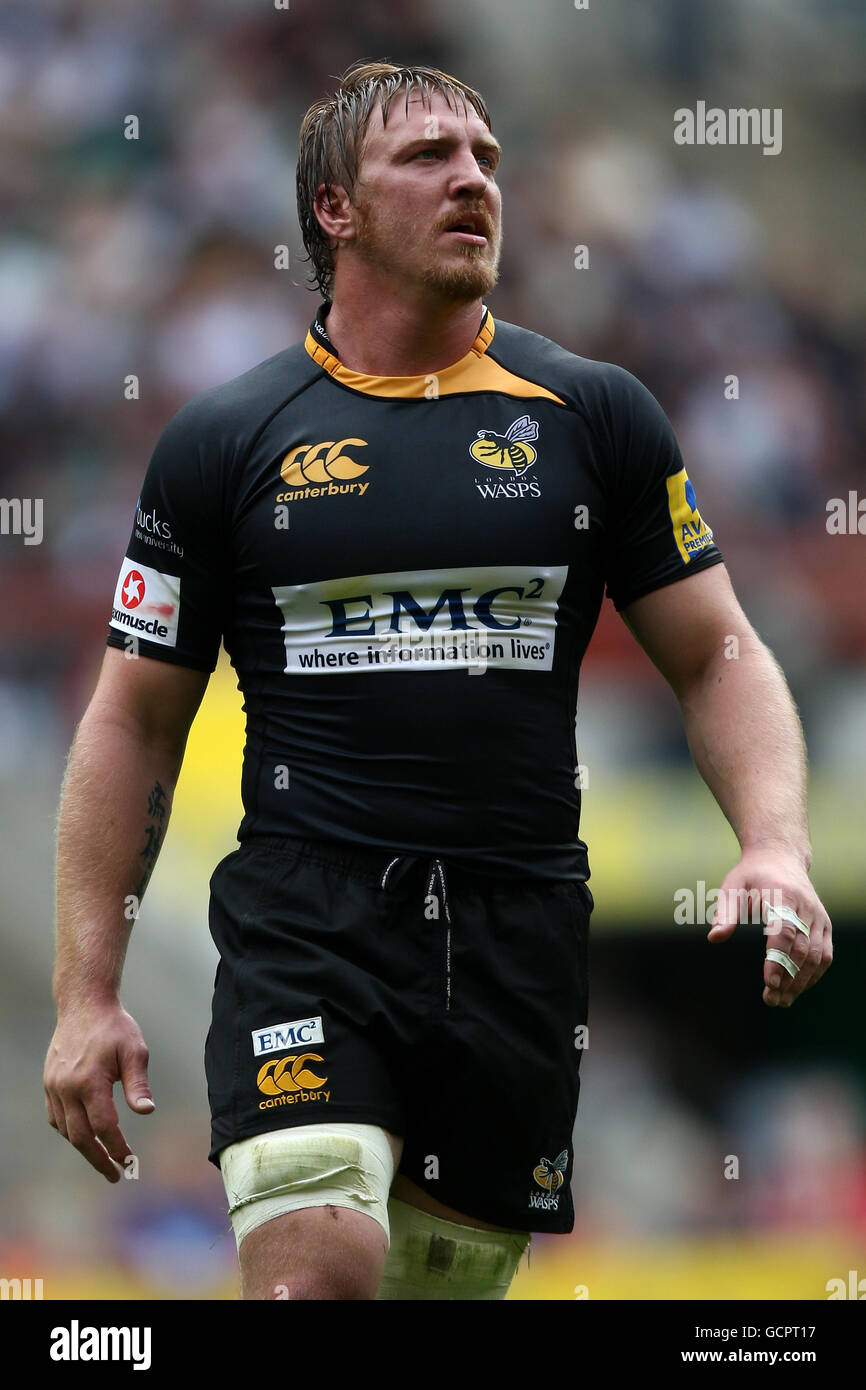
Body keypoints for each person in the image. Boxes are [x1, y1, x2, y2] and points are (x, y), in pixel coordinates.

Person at [43, 60, 832, 1301]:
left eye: (485, 158)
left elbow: (716, 653)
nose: (473, 178)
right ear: (333, 210)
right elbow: (132, 719)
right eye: (427, 157)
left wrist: (774, 841)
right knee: (315, 1266)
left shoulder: (593, 416)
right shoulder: (225, 442)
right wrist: (86, 991)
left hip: (515, 937)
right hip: (308, 922)